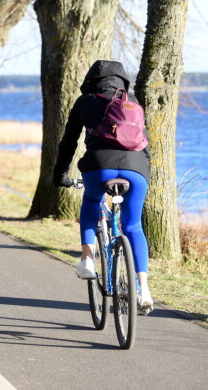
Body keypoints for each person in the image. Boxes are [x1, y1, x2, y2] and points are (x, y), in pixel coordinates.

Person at [52, 60, 153, 313]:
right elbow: (143, 144)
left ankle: (87, 258)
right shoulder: (133, 102)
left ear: (91, 81)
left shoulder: (85, 102)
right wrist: (143, 174)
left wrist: (60, 175)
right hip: (137, 170)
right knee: (133, 226)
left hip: (99, 167)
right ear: (122, 81)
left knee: (91, 201)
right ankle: (143, 289)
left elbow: (69, 143)